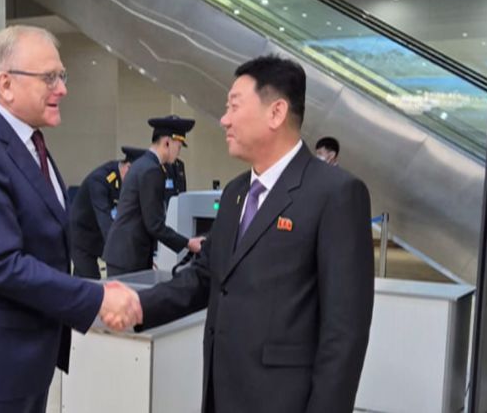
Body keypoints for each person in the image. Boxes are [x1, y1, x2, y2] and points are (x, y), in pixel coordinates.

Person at [132, 56, 374, 413]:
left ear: (276, 113)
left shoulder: (335, 194)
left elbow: (345, 333)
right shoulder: (235, 193)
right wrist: (137, 305)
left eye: (234, 106)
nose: (224, 119)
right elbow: (206, 276)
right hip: (222, 395)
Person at [0, 25, 141, 413]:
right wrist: (95, 297)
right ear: (6, 84)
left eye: (62, 76)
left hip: (27, 356)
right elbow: (1, 264)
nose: (62, 89)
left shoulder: (30, 144)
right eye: (49, 77)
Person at [102, 115, 205, 277]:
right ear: (167, 142)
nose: (178, 153)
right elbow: (154, 224)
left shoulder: (142, 164)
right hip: (129, 256)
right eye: (178, 147)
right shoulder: (151, 170)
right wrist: (188, 243)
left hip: (125, 252)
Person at [70, 146, 147, 279]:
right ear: (128, 168)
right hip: (82, 236)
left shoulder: (127, 181)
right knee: (89, 280)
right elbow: (105, 220)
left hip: (102, 236)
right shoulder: (99, 180)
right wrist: (120, 254)